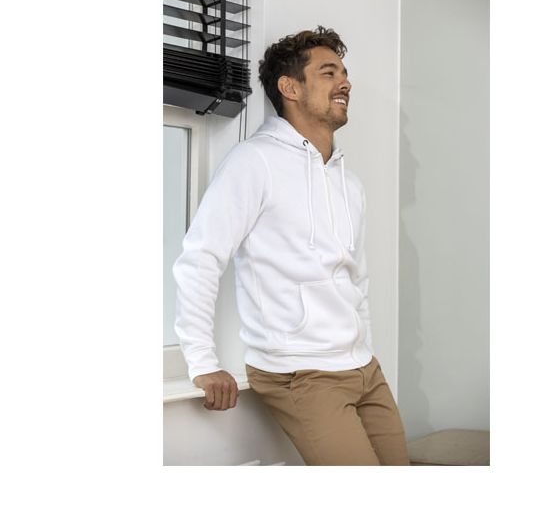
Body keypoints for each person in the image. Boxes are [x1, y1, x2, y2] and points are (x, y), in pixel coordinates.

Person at [172, 25, 410, 465]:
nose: (345, 83)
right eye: (328, 73)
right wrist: (202, 362)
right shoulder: (254, 162)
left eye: (344, 73)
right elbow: (201, 259)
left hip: (364, 368)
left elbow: (356, 278)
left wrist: (366, 349)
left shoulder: (349, 182)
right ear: (290, 88)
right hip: (302, 372)